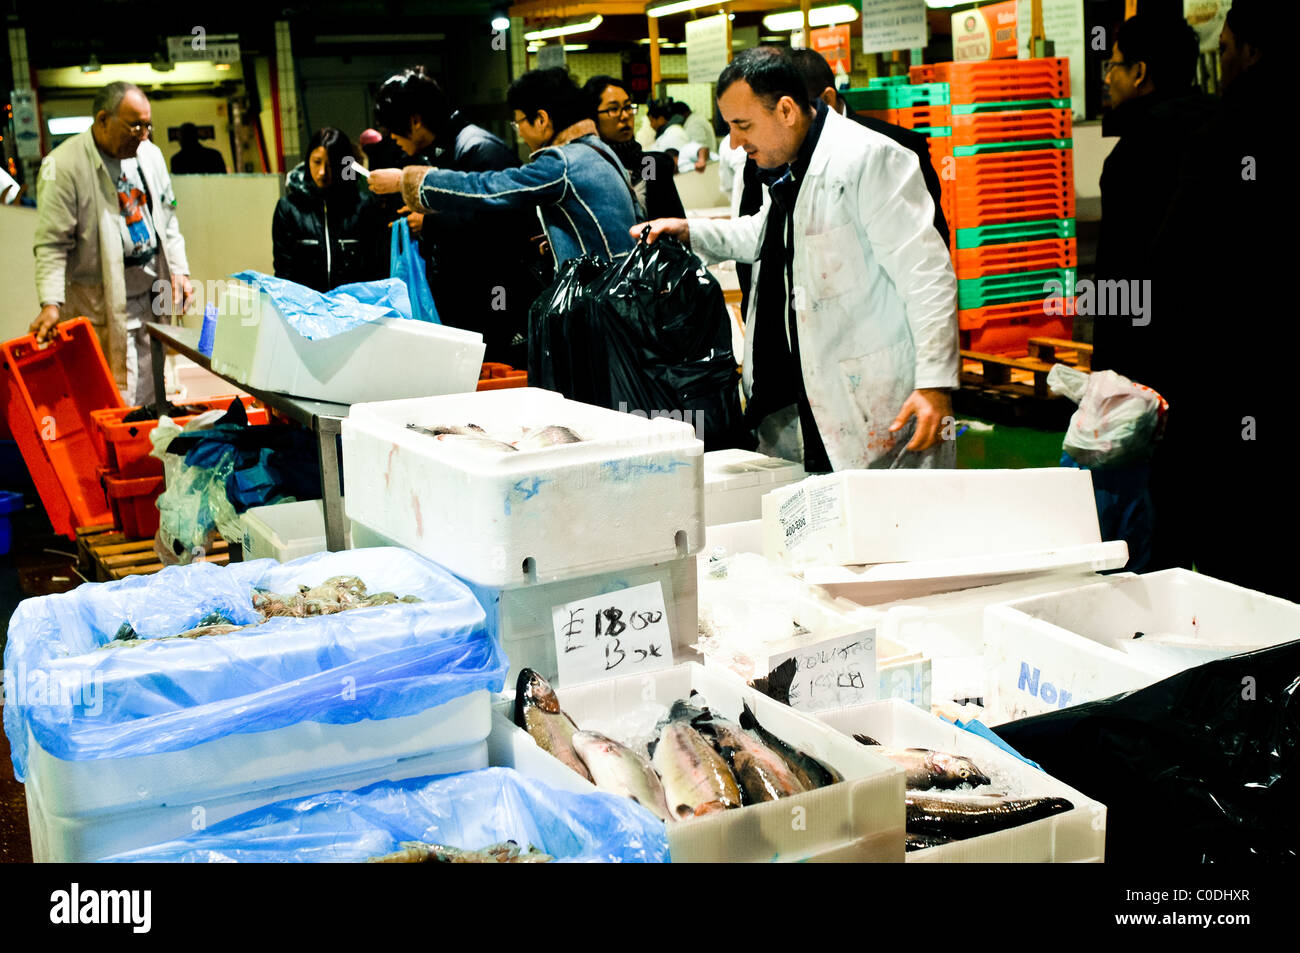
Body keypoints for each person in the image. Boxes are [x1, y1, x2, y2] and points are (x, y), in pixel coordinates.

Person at [632, 47, 958, 473]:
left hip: (875, 401)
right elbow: (767, 234)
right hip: (805, 398)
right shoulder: (792, 164)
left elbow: (926, 274)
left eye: (742, 125)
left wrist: (934, 382)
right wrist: (689, 230)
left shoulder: (870, 158)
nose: (733, 142)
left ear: (786, 109)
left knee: (889, 524)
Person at [1144, 0, 1292, 599]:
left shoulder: (1230, 132)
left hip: (1238, 376)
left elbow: (1174, 262)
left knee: (1248, 560)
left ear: (1252, 52)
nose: (1222, 63)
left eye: (1226, 50)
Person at [368, 67, 637, 271]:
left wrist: (408, 181)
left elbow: (488, 188)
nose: (519, 133)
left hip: (603, 306)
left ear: (541, 119)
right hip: (624, 291)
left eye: (519, 122)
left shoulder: (561, 163)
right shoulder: (597, 149)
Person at [31, 81, 192, 404]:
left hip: (149, 296)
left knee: (152, 393)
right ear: (103, 119)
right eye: (135, 125)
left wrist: (179, 271)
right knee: (113, 398)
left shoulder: (150, 155)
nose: (143, 134)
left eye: (148, 125)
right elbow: (52, 244)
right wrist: (51, 303)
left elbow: (167, 218)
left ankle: (149, 449)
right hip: (100, 306)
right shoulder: (63, 167)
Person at [373, 66, 543, 364]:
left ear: (415, 120)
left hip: (496, 306)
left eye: (393, 128)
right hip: (470, 302)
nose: (392, 138)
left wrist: (428, 222)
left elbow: (503, 227)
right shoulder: (451, 148)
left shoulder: (479, 149)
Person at [1091, 12, 1213, 380]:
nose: (1109, 78)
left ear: (1139, 72)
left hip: (1152, 357)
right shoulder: (1223, 128)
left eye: (1114, 66)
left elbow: (1120, 269)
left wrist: (1107, 373)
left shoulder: (1136, 153)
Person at [790, 48, 948, 246]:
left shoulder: (896, 146)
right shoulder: (779, 156)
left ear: (827, 100)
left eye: (790, 111)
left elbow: (931, 239)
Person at [271, 127, 389, 293]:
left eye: (332, 163)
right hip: (305, 310)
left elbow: (376, 269)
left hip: (355, 310)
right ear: (307, 160)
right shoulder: (289, 208)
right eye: (317, 161)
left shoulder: (363, 207)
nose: (322, 172)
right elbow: (283, 271)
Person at [582, 75, 684, 221]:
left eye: (628, 107)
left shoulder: (649, 164)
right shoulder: (587, 169)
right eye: (613, 109)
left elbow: (672, 221)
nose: (625, 116)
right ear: (592, 117)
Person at [647, 99, 708, 172]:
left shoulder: (674, 132)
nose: (651, 125)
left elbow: (680, 162)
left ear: (661, 119)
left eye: (652, 121)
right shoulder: (667, 133)